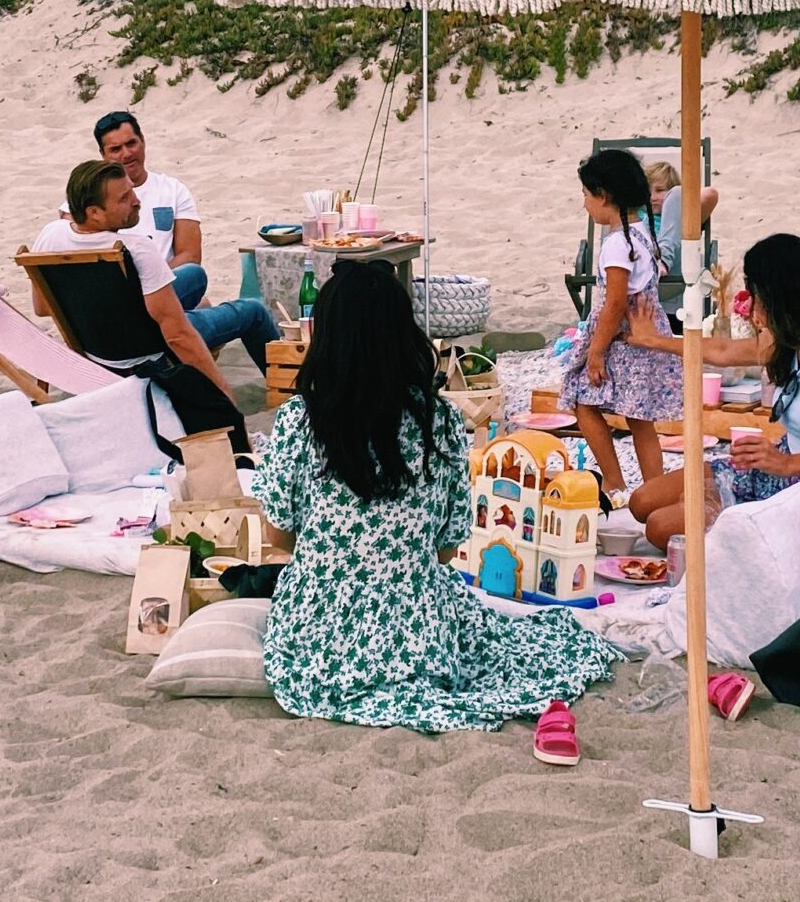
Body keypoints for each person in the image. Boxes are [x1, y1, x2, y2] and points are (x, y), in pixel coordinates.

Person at [256, 258, 620, 749]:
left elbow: (278, 534)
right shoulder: (439, 421)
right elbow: (448, 549)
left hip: (314, 637)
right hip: (420, 636)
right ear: (401, 332)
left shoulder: (299, 420)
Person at [626, 232, 800, 552]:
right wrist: (654, 340)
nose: (750, 307)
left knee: (661, 528)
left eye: (755, 295)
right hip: (773, 468)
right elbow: (724, 350)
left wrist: (787, 464)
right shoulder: (791, 340)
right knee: (641, 502)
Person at [31, 159, 252, 453]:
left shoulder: (51, 235)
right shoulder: (135, 249)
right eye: (124, 198)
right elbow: (178, 337)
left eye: (132, 191)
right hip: (148, 362)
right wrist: (224, 395)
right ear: (93, 212)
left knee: (193, 278)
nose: (137, 202)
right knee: (252, 311)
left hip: (96, 355)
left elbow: (43, 308)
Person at [90, 108, 280, 373]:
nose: (126, 154)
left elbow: (190, 255)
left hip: (101, 334)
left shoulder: (74, 217)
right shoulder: (98, 206)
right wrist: (148, 285)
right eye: (115, 149)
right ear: (103, 155)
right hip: (145, 334)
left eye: (131, 143)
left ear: (143, 141)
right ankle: (299, 394)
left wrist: (154, 285)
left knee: (193, 276)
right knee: (244, 307)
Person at [559, 149, 682, 514]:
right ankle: (655, 492)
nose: (584, 205)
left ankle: (613, 479)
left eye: (585, 195)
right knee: (641, 420)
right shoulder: (643, 233)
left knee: (582, 401)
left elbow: (614, 304)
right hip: (644, 337)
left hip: (623, 339)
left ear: (603, 195)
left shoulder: (617, 243)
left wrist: (596, 352)